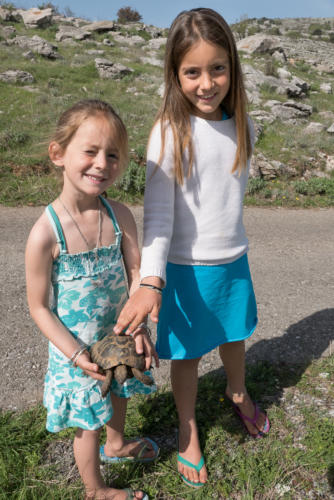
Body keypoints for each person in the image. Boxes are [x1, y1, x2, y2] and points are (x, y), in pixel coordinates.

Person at [113, 8, 270, 489]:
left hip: (232, 260)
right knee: (186, 354)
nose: (207, 83)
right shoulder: (169, 129)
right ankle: (187, 428)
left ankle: (237, 392)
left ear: (233, 68)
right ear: (175, 73)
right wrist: (150, 281)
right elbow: (159, 215)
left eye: (217, 68)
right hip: (183, 267)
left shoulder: (240, 122)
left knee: (232, 333)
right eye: (193, 72)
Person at [25, 99, 160, 500]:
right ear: (58, 154)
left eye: (113, 155)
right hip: (76, 350)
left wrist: (140, 327)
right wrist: (75, 353)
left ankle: (116, 446)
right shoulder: (45, 234)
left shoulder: (120, 215)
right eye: (90, 151)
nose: (102, 163)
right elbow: (39, 307)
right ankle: (95, 489)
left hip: (118, 336)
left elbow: (137, 276)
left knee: (120, 391)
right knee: (89, 422)